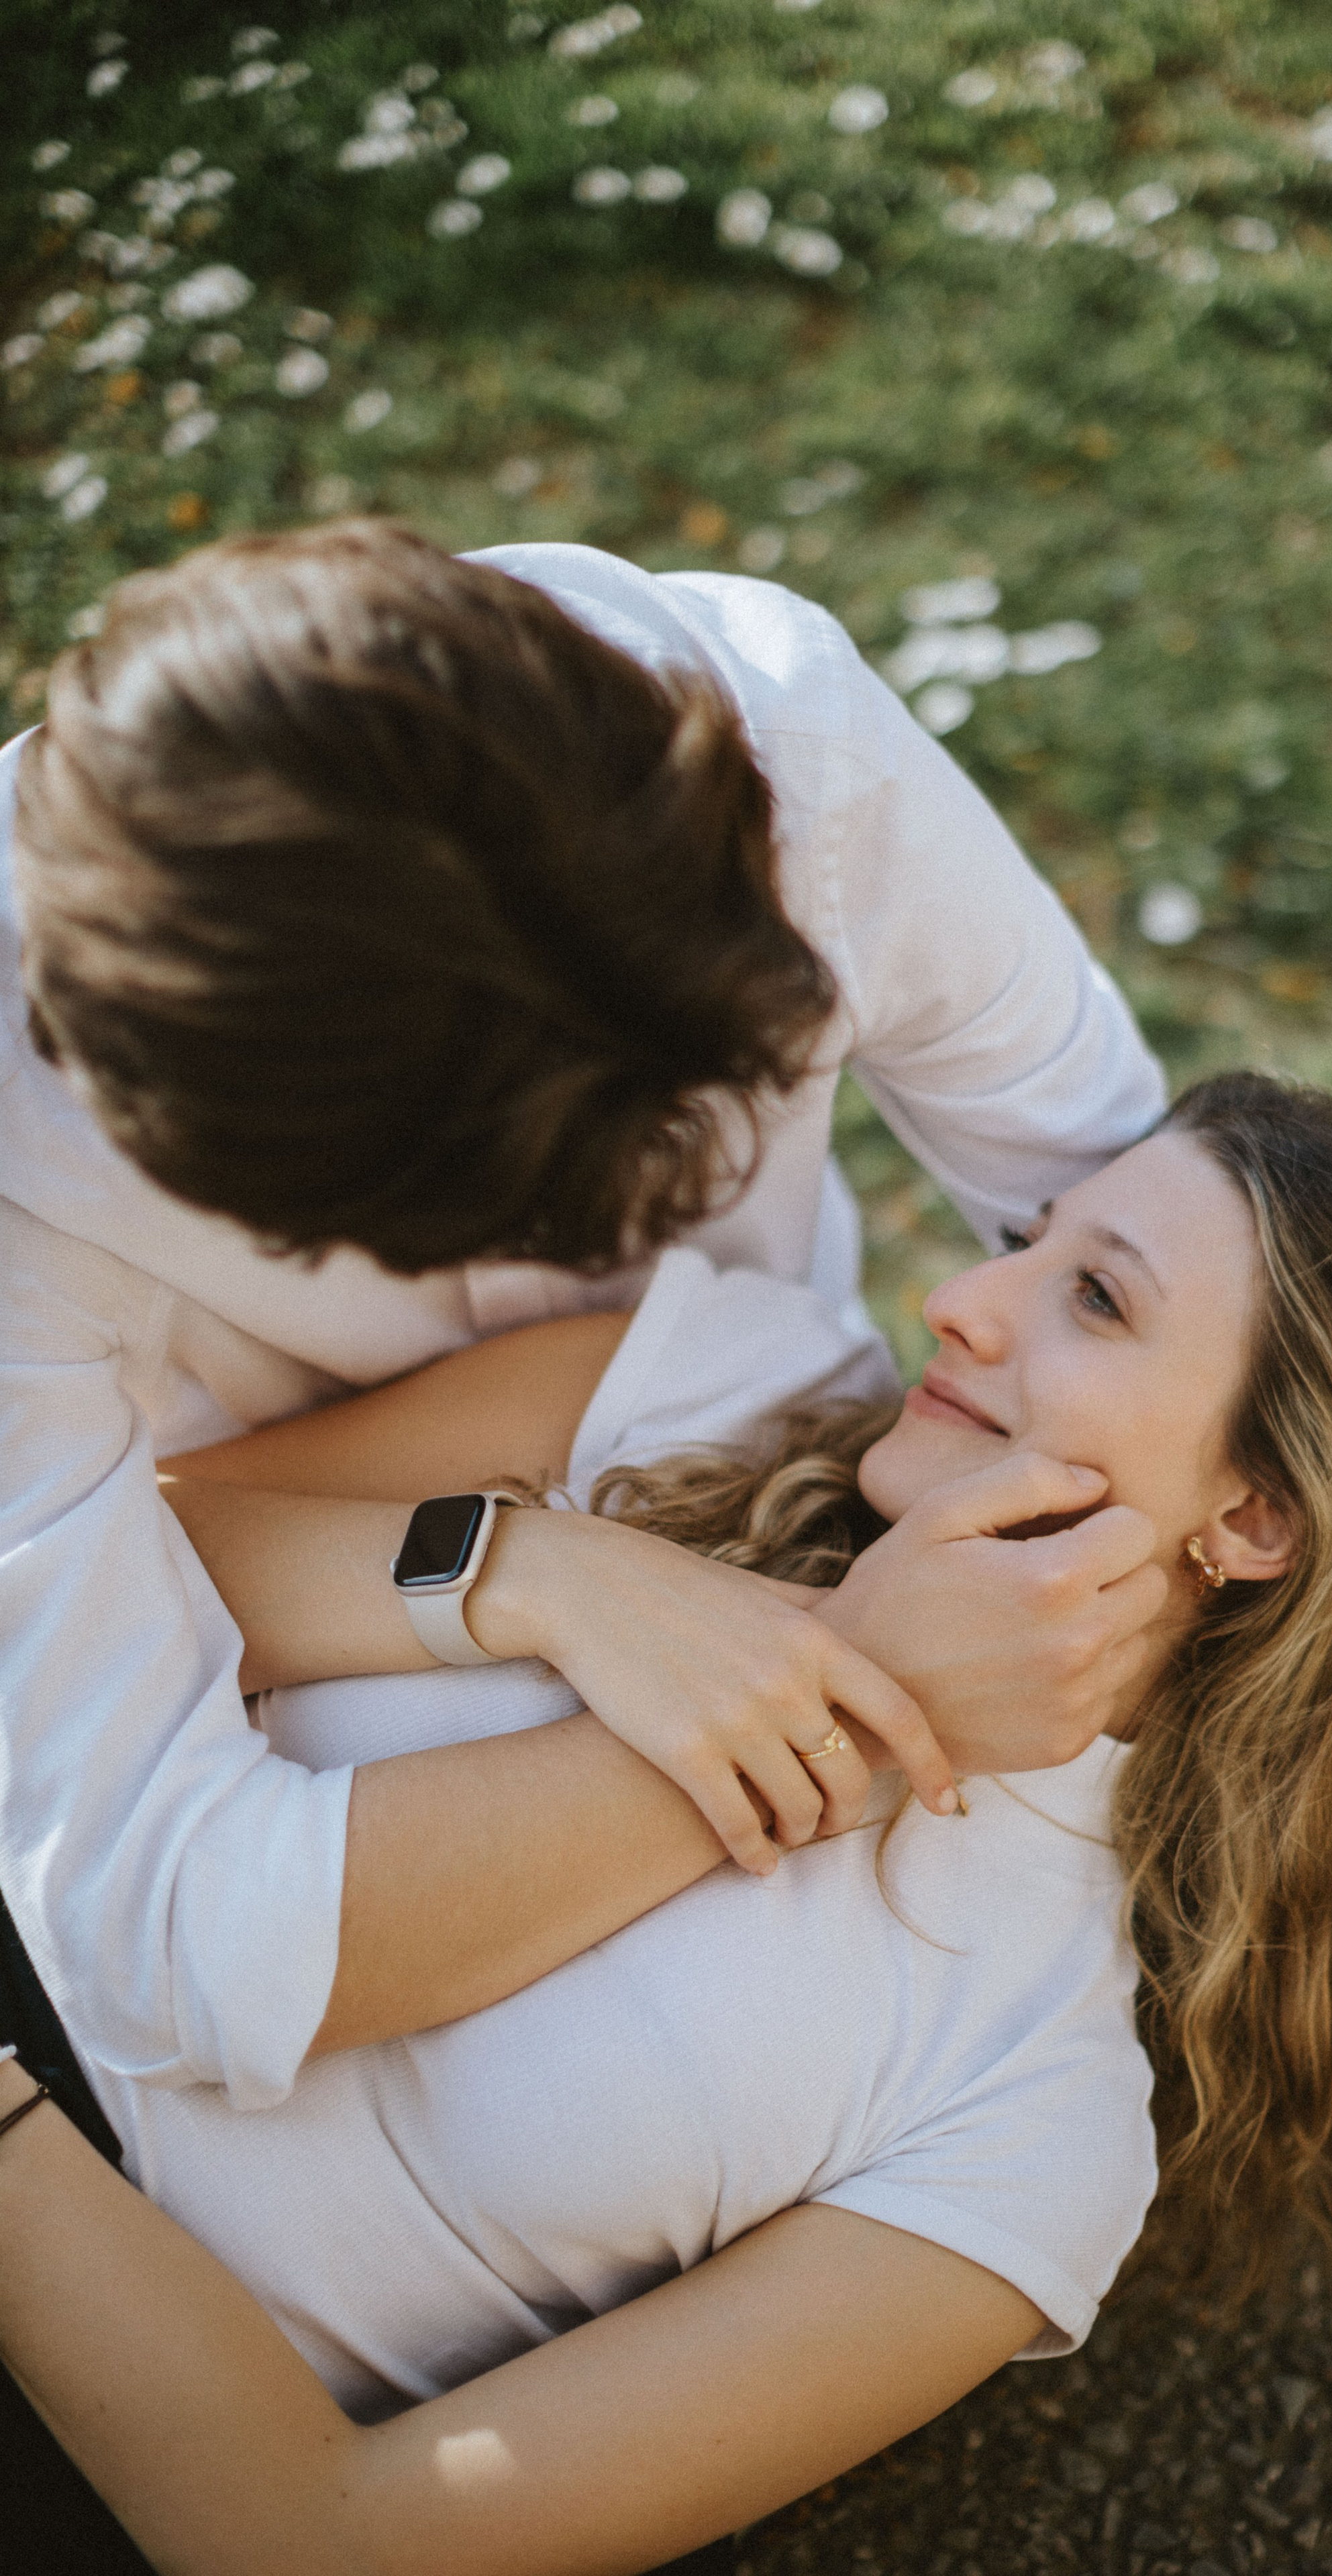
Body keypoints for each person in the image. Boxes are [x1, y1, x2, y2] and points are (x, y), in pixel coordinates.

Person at [2, 1075, 1332, 2576]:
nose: (958, 1297)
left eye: (1093, 1299)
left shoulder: (1034, 2114)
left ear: (1255, 1513)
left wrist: (849, 1693)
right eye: (1027, 1244)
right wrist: (549, 1573)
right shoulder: (728, 1382)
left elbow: (321, 2535)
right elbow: (118, 1555)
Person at [0, 518, 1172, 2134]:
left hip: (795, 1497)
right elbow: (174, 1938)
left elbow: (1204, 1242)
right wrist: (718, 1636)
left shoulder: (786, 751)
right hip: (308, 1715)